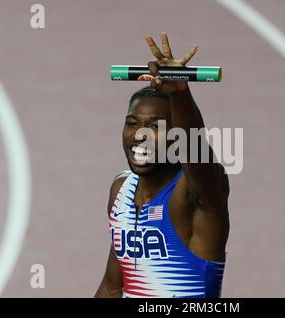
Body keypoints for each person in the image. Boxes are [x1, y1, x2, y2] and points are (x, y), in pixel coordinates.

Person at [95, 32, 230, 298]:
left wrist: (180, 93)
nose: (139, 135)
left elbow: (196, 148)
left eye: (156, 126)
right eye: (132, 123)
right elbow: (113, 286)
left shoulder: (196, 193)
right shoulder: (121, 191)